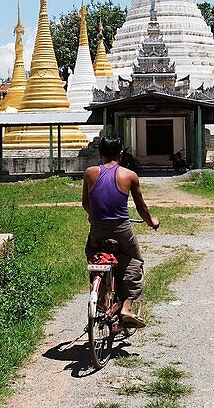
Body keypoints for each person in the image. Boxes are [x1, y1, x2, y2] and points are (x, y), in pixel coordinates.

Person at [82, 135, 160, 327]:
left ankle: (100, 293)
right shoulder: (129, 175)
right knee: (134, 261)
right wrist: (151, 222)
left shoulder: (89, 173)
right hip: (121, 229)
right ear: (121, 154)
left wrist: (94, 217)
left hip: (98, 229)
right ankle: (126, 306)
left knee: (93, 253)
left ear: (100, 154)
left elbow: (86, 203)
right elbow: (141, 207)